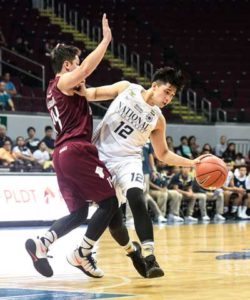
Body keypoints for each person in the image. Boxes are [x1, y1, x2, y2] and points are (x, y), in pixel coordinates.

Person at [25, 14, 146, 280]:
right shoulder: (62, 82)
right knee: (110, 202)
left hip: (61, 154)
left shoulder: (53, 89)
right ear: (67, 66)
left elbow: (89, 87)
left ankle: (42, 243)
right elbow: (86, 70)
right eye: (77, 64)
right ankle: (82, 253)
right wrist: (105, 41)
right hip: (77, 149)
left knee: (79, 212)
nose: (81, 70)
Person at [81, 67, 203, 277]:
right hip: (101, 158)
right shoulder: (126, 89)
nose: (169, 98)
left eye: (173, 95)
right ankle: (132, 252)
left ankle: (150, 256)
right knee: (115, 222)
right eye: (167, 91)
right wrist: (73, 85)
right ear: (154, 86)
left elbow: (163, 154)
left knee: (137, 197)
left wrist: (191, 163)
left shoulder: (158, 119)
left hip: (128, 161)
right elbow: (91, 94)